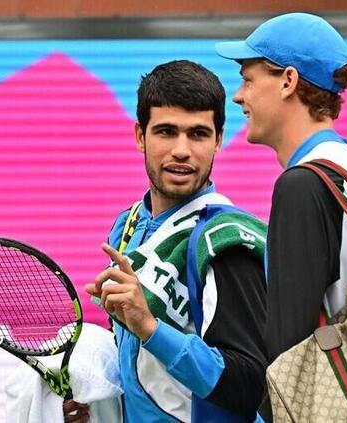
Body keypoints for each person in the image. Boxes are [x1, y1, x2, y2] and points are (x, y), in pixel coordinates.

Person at [67, 60, 268, 422]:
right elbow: (140, 370)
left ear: (218, 140)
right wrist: (93, 405)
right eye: (166, 131)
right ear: (140, 136)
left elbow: (249, 383)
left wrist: (151, 328)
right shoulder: (126, 225)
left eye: (198, 134)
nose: (181, 150)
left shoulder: (226, 241)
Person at [215, 13, 347, 368]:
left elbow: (289, 354)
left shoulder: (304, 186)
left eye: (247, 79)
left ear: (288, 80)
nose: (239, 96)